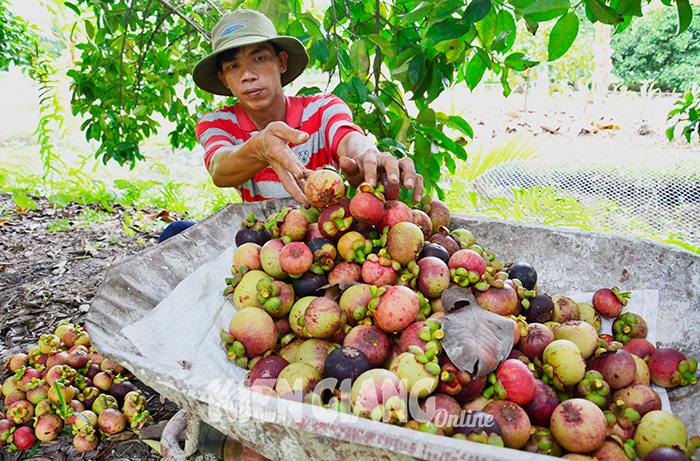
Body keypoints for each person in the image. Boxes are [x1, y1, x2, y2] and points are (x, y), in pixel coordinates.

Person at [159, 9, 423, 242]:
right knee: (175, 232)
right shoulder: (217, 123)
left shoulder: (321, 109)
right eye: (233, 66)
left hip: (325, 235)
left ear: (281, 62)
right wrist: (260, 147)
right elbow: (219, 167)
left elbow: (348, 137)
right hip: (263, 238)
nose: (248, 74)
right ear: (224, 79)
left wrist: (368, 153)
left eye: (259, 58)